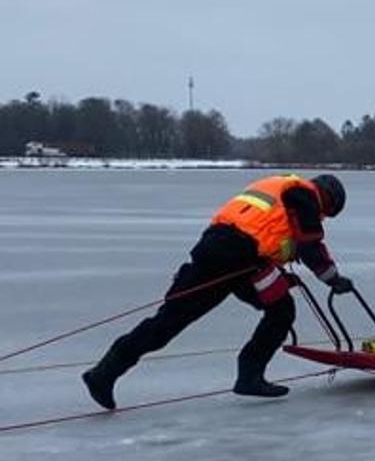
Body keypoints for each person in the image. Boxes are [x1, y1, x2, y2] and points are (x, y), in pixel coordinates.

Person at [82, 174, 354, 409]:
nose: (322, 218)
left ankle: (104, 373)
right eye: (327, 214)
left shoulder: (277, 186)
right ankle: (249, 375)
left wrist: (280, 276)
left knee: (169, 320)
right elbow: (310, 244)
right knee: (281, 311)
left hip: (215, 247)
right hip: (240, 256)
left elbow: (265, 233)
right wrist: (333, 279)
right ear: (327, 200)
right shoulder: (305, 194)